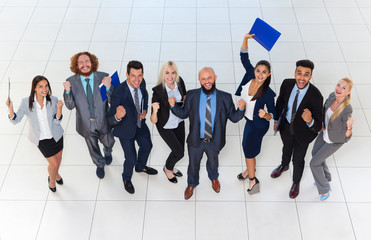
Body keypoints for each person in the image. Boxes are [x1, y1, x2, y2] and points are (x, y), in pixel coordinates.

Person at [169, 67, 246, 200]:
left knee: (213, 163)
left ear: (215, 78)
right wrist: (172, 106)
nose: (207, 81)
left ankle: (213, 178)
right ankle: (191, 184)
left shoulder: (225, 97)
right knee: (193, 165)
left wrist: (241, 109)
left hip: (214, 141)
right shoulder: (192, 95)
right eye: (203, 79)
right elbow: (184, 113)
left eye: (209, 77)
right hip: (195, 141)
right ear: (199, 80)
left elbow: (233, 118)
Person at [271, 59, 323, 199]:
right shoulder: (287, 84)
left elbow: (318, 125)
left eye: (306, 74)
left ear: (310, 76)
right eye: (299, 73)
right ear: (295, 73)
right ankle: (284, 165)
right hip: (286, 126)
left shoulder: (316, 96)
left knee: (298, 159)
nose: (302, 77)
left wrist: (310, 120)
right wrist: (277, 119)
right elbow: (280, 101)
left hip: (303, 134)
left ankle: (296, 182)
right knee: (286, 148)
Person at [6, 75, 64, 192]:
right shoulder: (26, 102)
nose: (44, 89)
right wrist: (10, 108)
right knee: (53, 163)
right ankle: (52, 180)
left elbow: (57, 122)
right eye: (41, 86)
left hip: (56, 136)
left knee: (58, 159)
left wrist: (59, 109)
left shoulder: (53, 100)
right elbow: (15, 121)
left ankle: (56, 174)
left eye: (46, 86)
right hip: (41, 139)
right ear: (35, 88)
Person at [108, 60, 158, 194]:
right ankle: (126, 178)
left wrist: (145, 110)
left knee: (147, 146)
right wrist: (118, 116)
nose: (137, 80)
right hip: (125, 129)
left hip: (140, 124)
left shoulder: (142, 83)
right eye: (133, 76)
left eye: (140, 75)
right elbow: (109, 119)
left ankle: (140, 167)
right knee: (131, 158)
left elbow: (145, 96)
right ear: (127, 75)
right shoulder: (118, 93)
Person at [235, 34, 276, 194]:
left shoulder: (268, 93)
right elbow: (244, 57)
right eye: (258, 70)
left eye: (264, 72)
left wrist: (266, 115)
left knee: (248, 151)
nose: (260, 74)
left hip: (258, 125)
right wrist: (245, 38)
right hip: (249, 121)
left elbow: (274, 114)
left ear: (268, 75)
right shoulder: (250, 75)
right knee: (249, 149)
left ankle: (252, 179)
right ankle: (248, 170)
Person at [63, 51, 115, 179]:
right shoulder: (70, 82)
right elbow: (70, 106)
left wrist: (109, 88)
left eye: (87, 61)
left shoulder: (104, 77)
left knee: (109, 142)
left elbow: (113, 101)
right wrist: (67, 92)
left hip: (103, 120)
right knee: (93, 148)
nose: (84, 65)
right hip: (86, 124)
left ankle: (108, 152)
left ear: (92, 63)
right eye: (80, 62)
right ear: (76, 65)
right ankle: (100, 164)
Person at [310, 78, 354, 201]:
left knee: (314, 163)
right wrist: (323, 123)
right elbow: (324, 109)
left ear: (348, 92)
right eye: (338, 85)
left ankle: (324, 189)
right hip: (324, 133)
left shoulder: (347, 109)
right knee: (315, 154)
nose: (339, 89)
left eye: (344, 88)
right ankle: (325, 177)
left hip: (335, 140)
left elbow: (347, 135)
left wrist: (349, 128)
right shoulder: (331, 96)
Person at [150, 61, 186, 183]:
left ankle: (169, 166)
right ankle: (168, 168)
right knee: (179, 153)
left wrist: (184, 102)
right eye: (167, 73)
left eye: (173, 73)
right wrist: (154, 111)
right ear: (162, 74)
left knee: (180, 150)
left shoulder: (180, 82)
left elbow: (184, 95)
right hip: (166, 125)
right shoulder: (158, 92)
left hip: (179, 121)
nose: (170, 76)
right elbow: (153, 120)